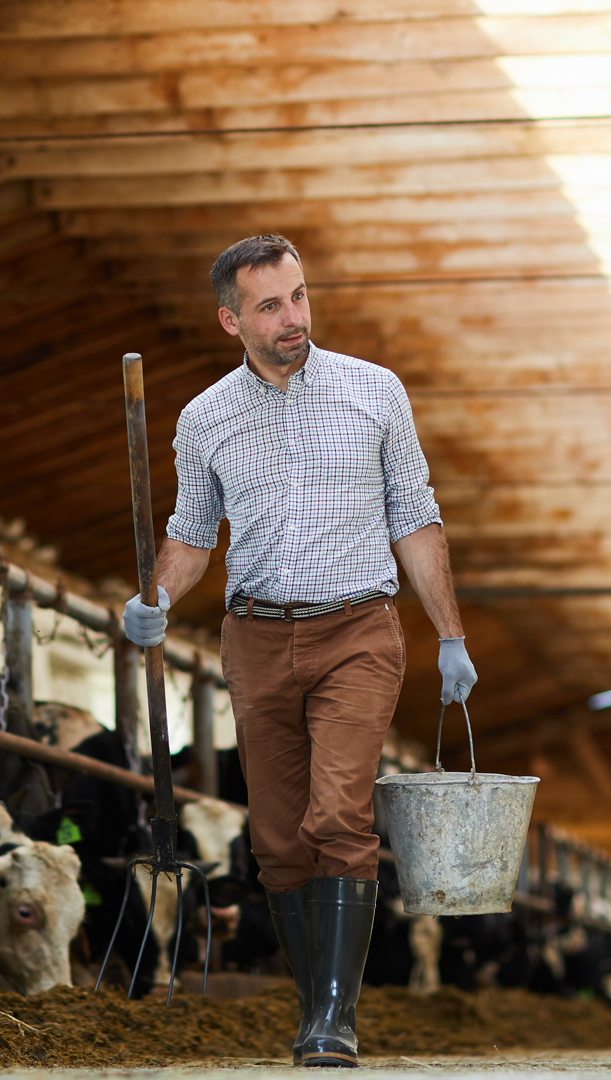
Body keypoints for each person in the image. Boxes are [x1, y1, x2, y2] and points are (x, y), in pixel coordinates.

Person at [123, 235, 477, 1068]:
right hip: (253, 636)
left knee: (340, 815)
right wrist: (154, 599)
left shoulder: (373, 391)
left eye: (300, 297)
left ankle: (333, 1019)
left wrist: (451, 634)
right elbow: (187, 534)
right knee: (279, 841)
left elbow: (415, 517)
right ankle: (315, 999)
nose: (294, 318)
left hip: (359, 629)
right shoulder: (206, 417)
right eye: (271, 305)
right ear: (230, 319)